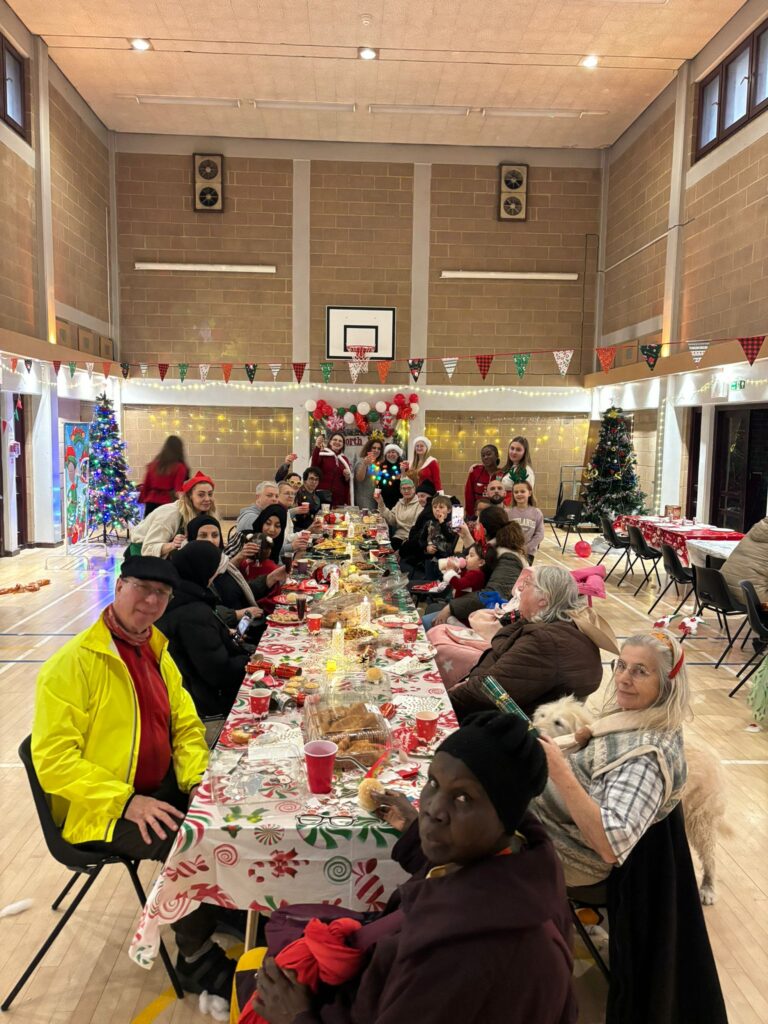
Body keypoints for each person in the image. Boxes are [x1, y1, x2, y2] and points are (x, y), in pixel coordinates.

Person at [251, 713, 576, 1024]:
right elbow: (468, 881)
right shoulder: (524, 861)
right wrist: (412, 831)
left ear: (505, 818)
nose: (433, 808)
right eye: (433, 782)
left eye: (463, 798)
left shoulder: (462, 961)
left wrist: (295, 1016)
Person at [31, 556, 234, 1001]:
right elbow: (52, 761)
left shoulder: (157, 650)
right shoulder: (71, 666)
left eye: (161, 594)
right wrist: (126, 802)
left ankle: (216, 902)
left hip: (157, 785)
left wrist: (197, 777)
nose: (150, 600)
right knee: (187, 839)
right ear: (119, 586)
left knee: (227, 811)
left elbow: (185, 725)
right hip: (101, 808)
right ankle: (194, 954)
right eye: (141, 587)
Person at [534, 630, 689, 888]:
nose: (623, 679)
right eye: (621, 666)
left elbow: (609, 845)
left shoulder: (646, 758)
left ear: (666, 684)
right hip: (551, 822)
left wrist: (560, 772)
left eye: (640, 671)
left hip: (572, 855)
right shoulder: (636, 717)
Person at [450, 565, 614, 720]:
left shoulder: (544, 642)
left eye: (527, 584)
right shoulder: (557, 625)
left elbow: (491, 689)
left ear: (544, 599)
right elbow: (501, 648)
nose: (520, 589)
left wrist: (446, 700)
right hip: (499, 709)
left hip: (504, 725)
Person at [156, 541, 250, 718]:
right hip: (202, 705)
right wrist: (252, 661)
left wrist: (221, 635)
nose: (215, 578)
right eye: (214, 573)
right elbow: (219, 673)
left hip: (188, 694)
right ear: (203, 572)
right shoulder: (194, 613)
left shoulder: (179, 596)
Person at [187, 514, 284, 630]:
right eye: (203, 535)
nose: (210, 540)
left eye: (215, 535)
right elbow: (198, 610)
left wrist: (270, 578)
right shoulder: (190, 569)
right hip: (222, 633)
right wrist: (237, 614)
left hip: (242, 628)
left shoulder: (222, 563)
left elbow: (236, 591)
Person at [432, 513, 529, 625]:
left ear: (484, 530)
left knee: (430, 621)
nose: (474, 526)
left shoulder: (508, 559)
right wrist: (465, 536)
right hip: (477, 609)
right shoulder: (494, 549)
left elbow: (492, 594)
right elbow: (477, 556)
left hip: (490, 619)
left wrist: (451, 607)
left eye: (477, 523)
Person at [129, 471, 215, 558]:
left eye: (210, 494)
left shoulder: (203, 513)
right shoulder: (171, 514)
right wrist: (173, 545)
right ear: (189, 496)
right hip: (140, 554)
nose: (207, 499)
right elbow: (148, 549)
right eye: (201, 495)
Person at [421, 545, 489, 631]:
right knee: (426, 621)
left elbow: (459, 584)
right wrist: (457, 570)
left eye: (471, 555)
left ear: (481, 563)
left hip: (462, 617)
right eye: (467, 555)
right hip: (458, 611)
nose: (467, 557)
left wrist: (450, 571)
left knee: (427, 622)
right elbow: (462, 582)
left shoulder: (477, 574)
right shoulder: (471, 572)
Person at [721, 515, 768, 606]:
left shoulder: (758, 529)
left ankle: (754, 620)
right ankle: (757, 620)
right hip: (752, 597)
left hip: (723, 591)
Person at [137, 435, 189, 517]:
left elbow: (146, 485)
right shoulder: (179, 467)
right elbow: (178, 490)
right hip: (167, 503)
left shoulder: (153, 465)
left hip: (151, 503)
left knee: (149, 528)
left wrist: (141, 500)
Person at [409, 494, 457, 580]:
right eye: (435, 507)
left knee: (444, 582)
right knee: (430, 582)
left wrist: (442, 522)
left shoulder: (451, 524)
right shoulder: (429, 523)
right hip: (430, 559)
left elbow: (450, 538)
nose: (437, 509)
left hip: (445, 560)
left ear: (449, 510)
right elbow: (421, 539)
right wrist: (426, 547)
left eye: (441, 507)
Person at [375, 476, 421, 548]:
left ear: (414, 489)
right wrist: (380, 502)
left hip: (411, 539)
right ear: (400, 490)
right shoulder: (400, 503)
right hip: (398, 537)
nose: (406, 491)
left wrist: (404, 546)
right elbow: (391, 520)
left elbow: (417, 529)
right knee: (379, 546)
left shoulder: (419, 504)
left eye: (409, 488)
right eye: (403, 489)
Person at [311, 432, 352, 507]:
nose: (337, 442)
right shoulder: (322, 454)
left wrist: (347, 477)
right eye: (335, 440)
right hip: (323, 496)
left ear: (343, 444)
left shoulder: (344, 459)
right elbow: (313, 467)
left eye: (340, 441)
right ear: (330, 442)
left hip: (339, 498)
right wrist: (317, 447)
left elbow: (347, 482)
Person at [507, 481, 545, 560]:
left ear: (530, 493)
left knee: (525, 572)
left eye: (522, 491)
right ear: (513, 495)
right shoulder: (508, 512)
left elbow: (540, 534)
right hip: (511, 551)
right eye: (516, 492)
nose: (519, 494)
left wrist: (526, 547)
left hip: (529, 552)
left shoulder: (537, 512)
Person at [464, 444, 504, 518]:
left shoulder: (503, 474)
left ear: (497, 455)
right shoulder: (475, 472)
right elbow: (469, 495)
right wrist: (470, 515)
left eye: (488, 454)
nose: (485, 457)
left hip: (496, 515)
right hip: (478, 515)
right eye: (483, 455)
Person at [353, 437, 383, 509]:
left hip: (375, 502)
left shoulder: (378, 464)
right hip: (363, 502)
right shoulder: (361, 462)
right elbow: (359, 479)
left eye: (379, 449)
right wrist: (365, 464)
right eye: (374, 448)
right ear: (369, 449)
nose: (376, 450)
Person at [379, 443, 403, 509]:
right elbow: (377, 482)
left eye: (393, 452)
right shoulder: (381, 466)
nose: (390, 454)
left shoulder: (403, 466)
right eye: (388, 452)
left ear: (398, 454)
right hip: (385, 499)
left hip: (400, 499)